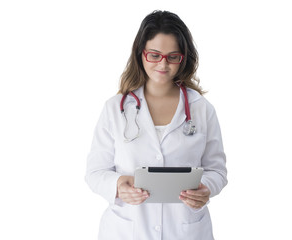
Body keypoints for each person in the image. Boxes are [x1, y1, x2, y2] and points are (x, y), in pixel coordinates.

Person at [85, 10, 227, 240]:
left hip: (185, 229)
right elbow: (95, 172)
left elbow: (217, 170)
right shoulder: (115, 108)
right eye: (154, 55)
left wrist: (206, 187)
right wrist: (118, 185)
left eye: (173, 56)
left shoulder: (201, 109)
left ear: (183, 58)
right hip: (126, 230)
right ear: (141, 53)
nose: (163, 64)